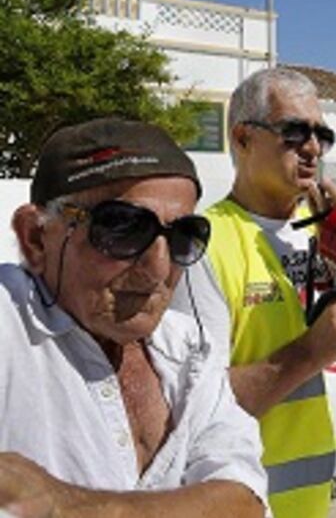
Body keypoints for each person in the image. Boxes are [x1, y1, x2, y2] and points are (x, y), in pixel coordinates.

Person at [0, 118, 267, 517]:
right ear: (36, 238)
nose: (158, 268)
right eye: (123, 227)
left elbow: (243, 500)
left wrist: (74, 508)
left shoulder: (188, 347)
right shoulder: (9, 321)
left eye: (183, 236)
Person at [173, 68, 336, 518]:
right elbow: (196, 412)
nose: (313, 147)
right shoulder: (205, 246)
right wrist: (311, 351)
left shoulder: (325, 229)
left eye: (322, 134)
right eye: (294, 131)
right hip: (272, 503)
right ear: (242, 138)